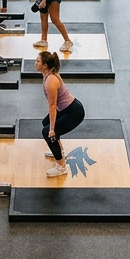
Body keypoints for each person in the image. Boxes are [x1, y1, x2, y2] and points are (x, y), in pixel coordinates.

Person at [36, 50, 85, 178]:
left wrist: (52, 130)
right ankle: (59, 149)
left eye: (38, 61)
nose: (35, 63)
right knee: (45, 123)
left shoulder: (51, 81)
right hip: (66, 108)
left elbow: (52, 106)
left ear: (45, 65)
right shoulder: (48, 74)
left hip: (74, 112)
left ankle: (61, 166)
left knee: (48, 133)